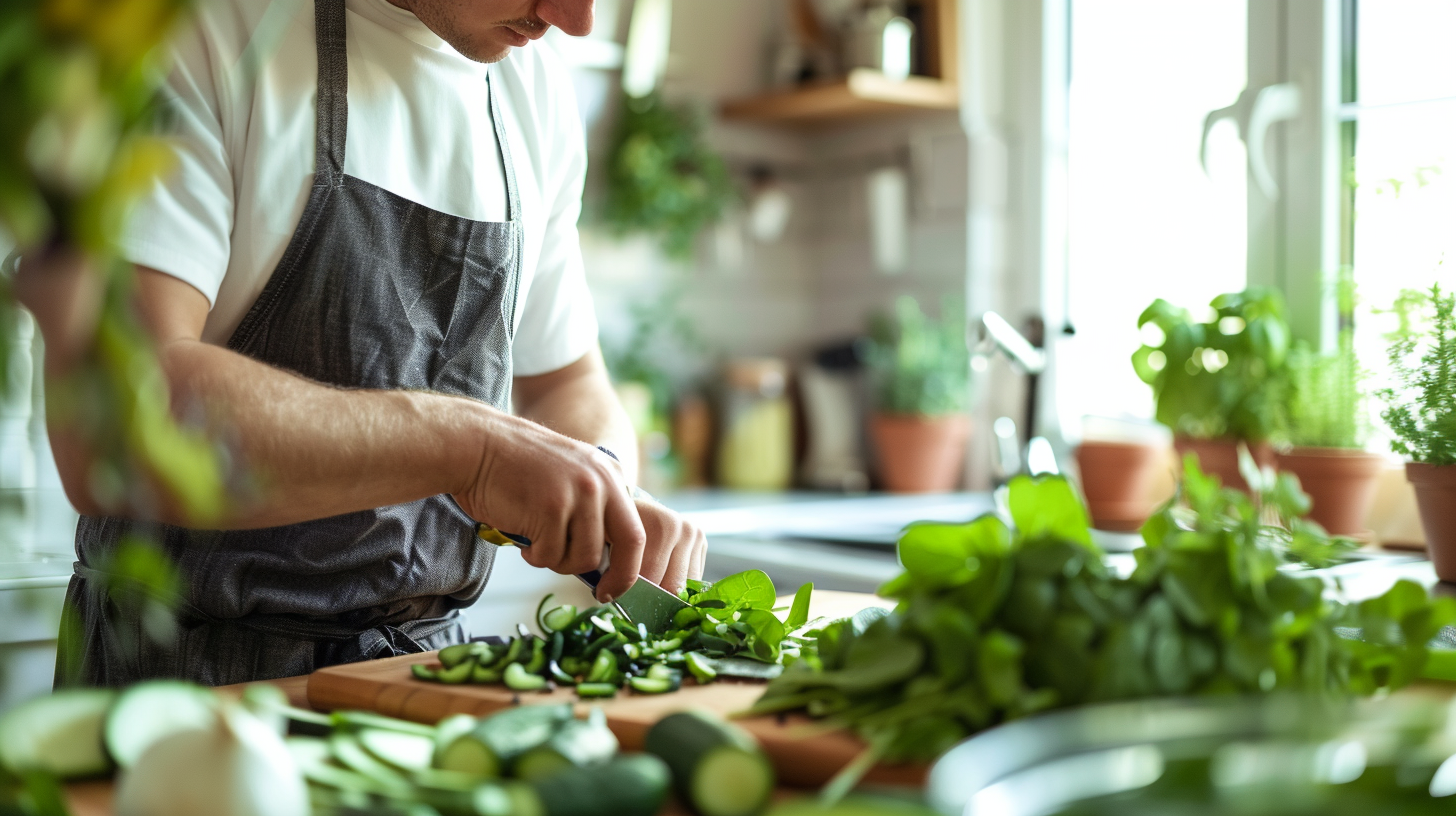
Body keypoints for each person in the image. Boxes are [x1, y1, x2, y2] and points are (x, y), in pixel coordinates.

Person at [19, 0, 708, 687]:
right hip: (181, 678)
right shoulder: (191, 31)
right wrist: (473, 451)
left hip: (422, 677)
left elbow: (567, 382)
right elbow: (116, 419)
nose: (576, 20)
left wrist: (602, 484)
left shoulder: (536, 86)